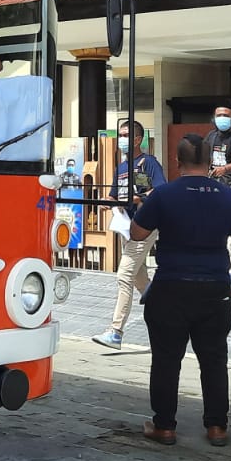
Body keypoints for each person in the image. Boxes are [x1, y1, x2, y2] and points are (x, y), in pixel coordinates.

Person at [130, 134, 231, 447]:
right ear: (211, 162)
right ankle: (217, 427)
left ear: (177, 161)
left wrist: (144, 209)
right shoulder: (228, 198)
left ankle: (165, 426)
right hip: (214, 288)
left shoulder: (164, 194)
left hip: (171, 287)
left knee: (166, 360)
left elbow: (137, 232)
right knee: (213, 360)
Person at [93, 120, 167, 350]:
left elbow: (161, 189)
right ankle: (170, 316)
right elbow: (115, 195)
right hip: (126, 226)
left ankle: (116, 331)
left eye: (126, 135)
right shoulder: (121, 167)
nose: (121, 139)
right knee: (140, 278)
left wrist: (139, 199)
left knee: (124, 274)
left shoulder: (149, 163)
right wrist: (107, 202)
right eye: (120, 135)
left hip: (145, 226)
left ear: (137, 139)